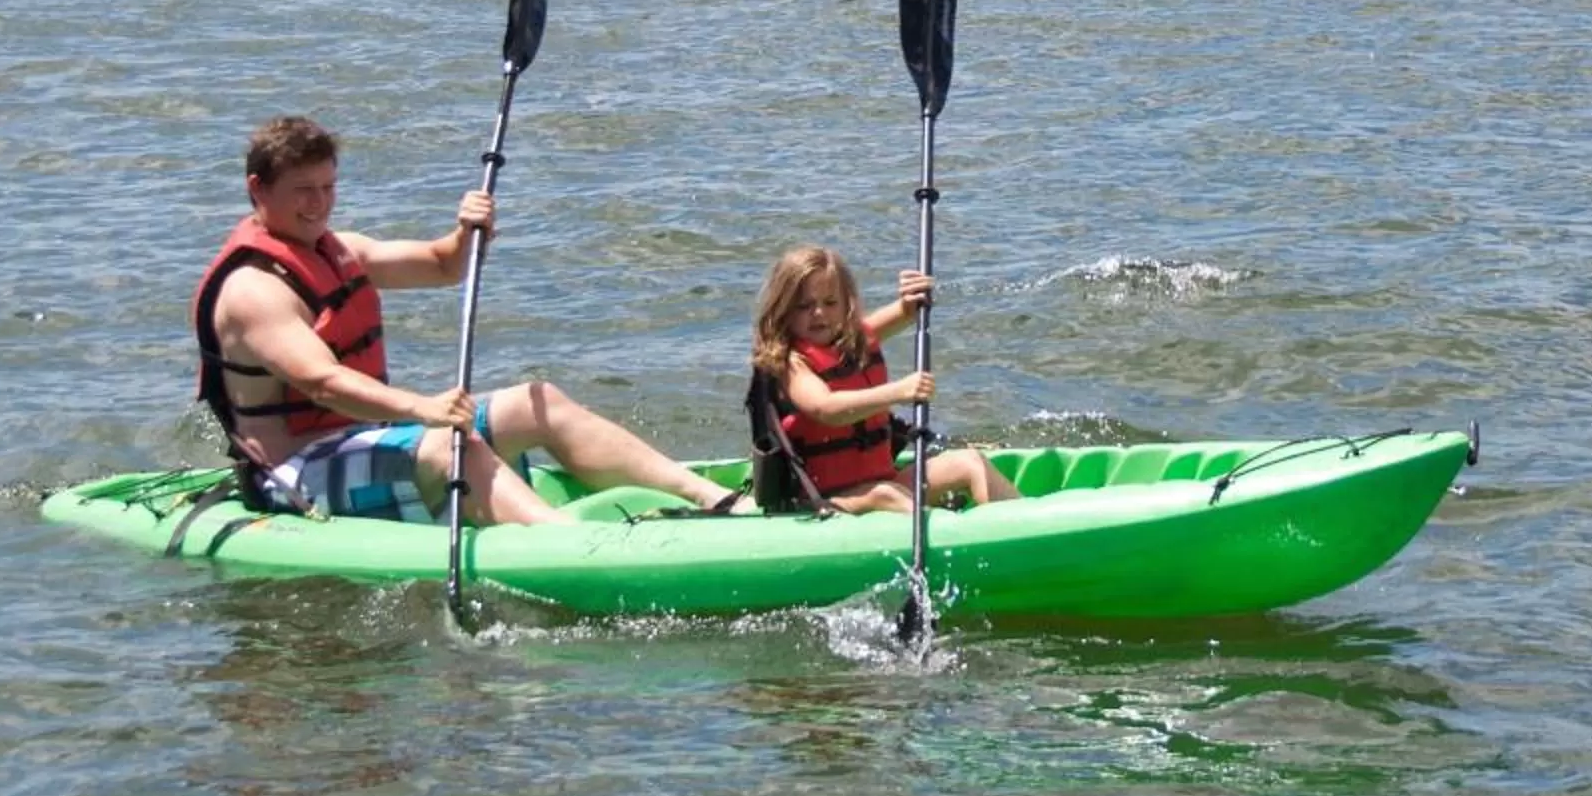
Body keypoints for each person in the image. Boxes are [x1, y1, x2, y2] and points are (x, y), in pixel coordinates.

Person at [194, 114, 737, 525]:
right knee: (452, 441)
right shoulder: (253, 290)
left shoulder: (340, 251)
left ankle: (717, 501)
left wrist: (467, 230)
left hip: (368, 441)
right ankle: (565, 543)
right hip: (293, 476)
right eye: (302, 191)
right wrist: (425, 409)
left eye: (328, 187)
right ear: (258, 189)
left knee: (536, 400)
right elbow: (323, 382)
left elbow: (443, 265)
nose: (319, 204)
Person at [749, 246, 1017, 513]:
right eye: (805, 306)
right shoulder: (791, 363)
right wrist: (897, 392)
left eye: (830, 303)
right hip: (822, 500)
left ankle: (1016, 527)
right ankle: (953, 536)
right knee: (886, 495)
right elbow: (826, 408)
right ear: (784, 310)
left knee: (970, 462)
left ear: (846, 305)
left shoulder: (853, 340)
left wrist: (911, 300)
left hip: (881, 481)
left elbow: (906, 312)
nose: (819, 313)